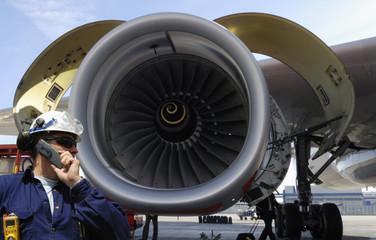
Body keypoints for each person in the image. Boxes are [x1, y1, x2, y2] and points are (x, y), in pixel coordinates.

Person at [0, 111, 130, 239]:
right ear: (42, 145)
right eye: (66, 143)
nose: (75, 150)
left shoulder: (82, 194)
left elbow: (120, 233)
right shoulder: (6, 188)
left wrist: (77, 185)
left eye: (75, 144)